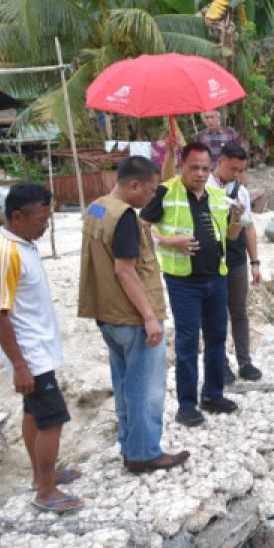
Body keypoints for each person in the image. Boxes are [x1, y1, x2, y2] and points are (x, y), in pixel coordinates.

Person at [78, 156, 190, 474]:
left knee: (125, 384)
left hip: (107, 314)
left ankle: (130, 446)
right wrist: (150, 317)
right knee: (145, 388)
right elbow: (125, 272)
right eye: (152, 191)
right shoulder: (125, 217)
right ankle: (144, 453)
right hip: (131, 317)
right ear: (134, 185)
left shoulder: (98, 207)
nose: (153, 197)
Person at [0, 183, 82, 513]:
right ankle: (45, 490)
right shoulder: (4, 253)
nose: (46, 226)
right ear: (16, 216)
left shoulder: (23, 245)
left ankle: (44, 475)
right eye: (41, 220)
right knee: (52, 418)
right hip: (29, 354)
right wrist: (20, 365)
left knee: (34, 413)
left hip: (37, 348)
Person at [141, 141, 243, 427]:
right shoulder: (165, 191)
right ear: (182, 165)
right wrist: (170, 241)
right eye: (194, 167)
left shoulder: (216, 193)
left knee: (217, 338)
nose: (199, 174)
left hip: (216, 276)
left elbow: (231, 237)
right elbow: (142, 228)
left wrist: (236, 219)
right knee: (187, 342)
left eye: (205, 168)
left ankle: (212, 394)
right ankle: (186, 404)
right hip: (183, 280)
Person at [208, 143, 262, 383]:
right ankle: (221, 364)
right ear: (220, 162)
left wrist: (255, 262)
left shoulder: (240, 191)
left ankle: (245, 362)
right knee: (215, 315)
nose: (237, 175)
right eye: (233, 169)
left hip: (236, 259)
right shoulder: (205, 188)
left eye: (241, 170)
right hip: (210, 261)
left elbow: (249, 228)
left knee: (239, 311)